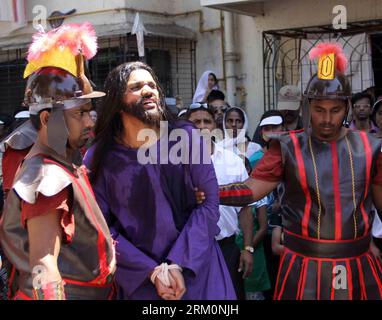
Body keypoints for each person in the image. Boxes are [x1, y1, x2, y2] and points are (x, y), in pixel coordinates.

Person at [217, 42, 382, 299]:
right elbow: (250, 191)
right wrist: (207, 192)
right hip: (303, 266)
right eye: (319, 110)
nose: (327, 119)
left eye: (335, 110)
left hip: (357, 263)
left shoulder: (371, 148)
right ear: (307, 106)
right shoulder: (287, 146)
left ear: (347, 107)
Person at [84, 61, 236, 300]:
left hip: (197, 270)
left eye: (151, 85)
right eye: (136, 87)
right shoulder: (100, 157)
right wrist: (150, 271)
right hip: (141, 281)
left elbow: (209, 205)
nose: (148, 90)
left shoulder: (185, 137)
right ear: (116, 102)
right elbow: (99, 227)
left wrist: (177, 263)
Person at [0, 22, 116, 300]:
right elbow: (44, 265)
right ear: (47, 119)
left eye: (90, 112)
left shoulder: (65, 162)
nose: (90, 122)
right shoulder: (46, 176)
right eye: (80, 114)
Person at [187, 104, 254, 300]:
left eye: (206, 121)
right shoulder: (175, 163)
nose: (201, 126)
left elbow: (245, 209)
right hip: (190, 251)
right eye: (195, 122)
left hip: (227, 248)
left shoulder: (233, 161)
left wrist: (247, 248)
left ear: (215, 125)